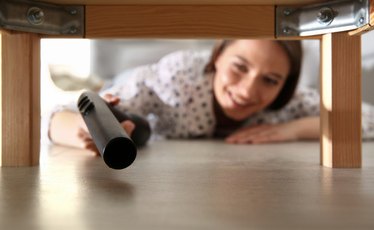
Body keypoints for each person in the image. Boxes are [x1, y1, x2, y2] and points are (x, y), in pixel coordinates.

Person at [47, 39, 374, 155]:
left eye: (270, 80)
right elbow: (58, 115)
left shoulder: (286, 103)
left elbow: (365, 117)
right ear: (217, 56)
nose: (247, 91)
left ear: (284, 86)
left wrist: (295, 129)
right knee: (107, 90)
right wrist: (81, 132)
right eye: (239, 67)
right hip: (132, 83)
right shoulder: (173, 80)